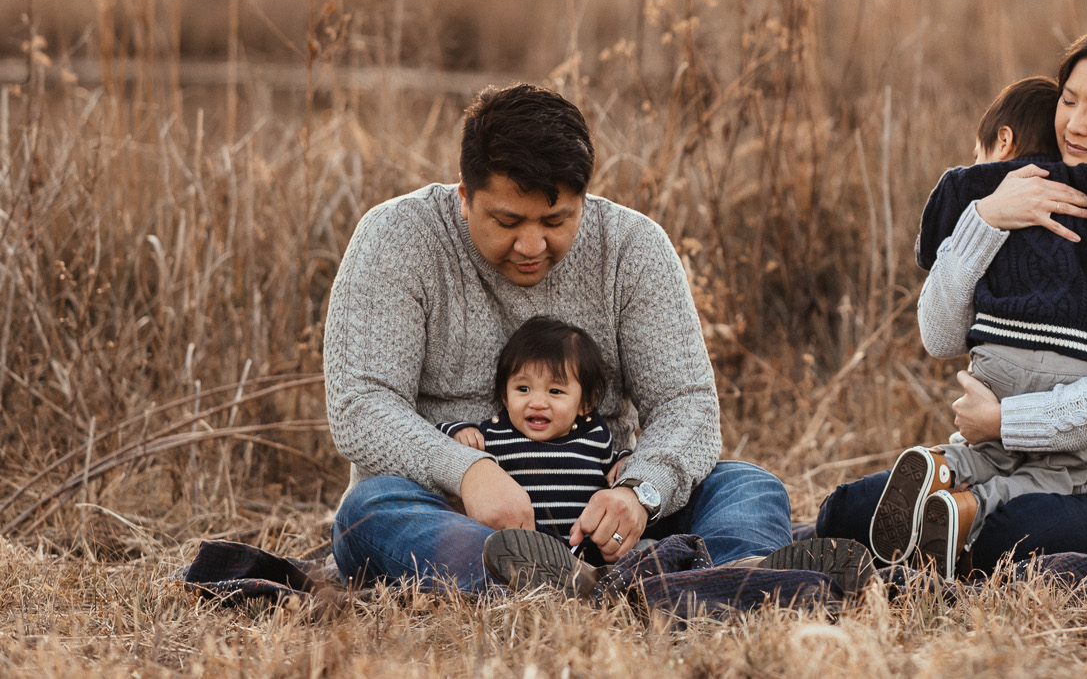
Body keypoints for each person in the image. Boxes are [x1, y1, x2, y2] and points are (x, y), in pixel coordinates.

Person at [324, 83, 796, 592]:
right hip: (446, 510)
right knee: (369, 511)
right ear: (465, 196)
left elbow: (687, 404)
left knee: (747, 486)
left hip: (603, 521)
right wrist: (466, 472)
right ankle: (633, 584)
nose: (531, 245)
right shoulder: (398, 236)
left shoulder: (633, 248)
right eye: (507, 220)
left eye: (556, 220)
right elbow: (360, 403)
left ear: (584, 198)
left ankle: (723, 583)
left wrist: (641, 493)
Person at [816, 19, 1087, 577]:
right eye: (1069, 100)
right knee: (844, 512)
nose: (1074, 126)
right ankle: (947, 524)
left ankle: (950, 532)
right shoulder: (1029, 194)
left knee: (1005, 537)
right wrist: (985, 219)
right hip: (1006, 469)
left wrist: (1007, 420)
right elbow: (940, 337)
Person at [436, 316, 628, 577]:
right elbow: (439, 446)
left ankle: (611, 576)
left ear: (585, 403)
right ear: (505, 395)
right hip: (525, 551)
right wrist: (459, 432)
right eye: (523, 388)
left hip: (587, 549)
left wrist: (625, 462)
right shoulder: (495, 434)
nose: (537, 402)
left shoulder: (595, 435)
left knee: (639, 549)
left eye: (555, 391)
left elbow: (612, 464)